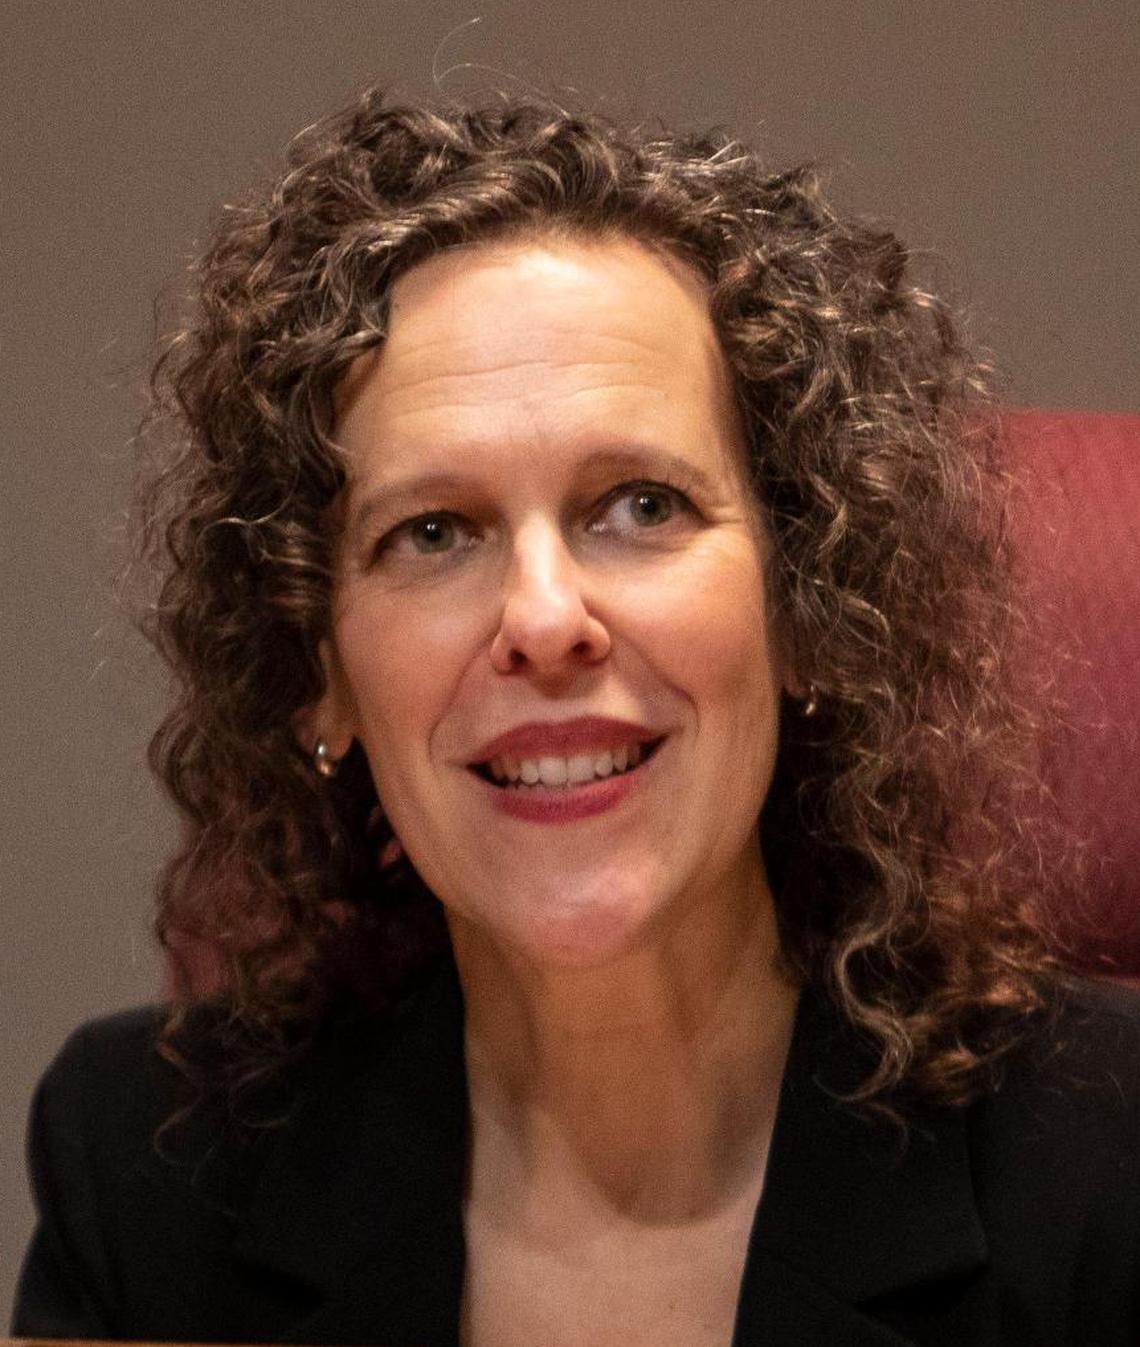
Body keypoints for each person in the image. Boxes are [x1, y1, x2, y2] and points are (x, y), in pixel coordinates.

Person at [13, 89, 1140, 1347]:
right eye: (432, 532)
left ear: (810, 610)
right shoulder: (146, 1175)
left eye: (641, 506)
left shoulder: (1111, 1163)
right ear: (317, 669)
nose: (544, 618)